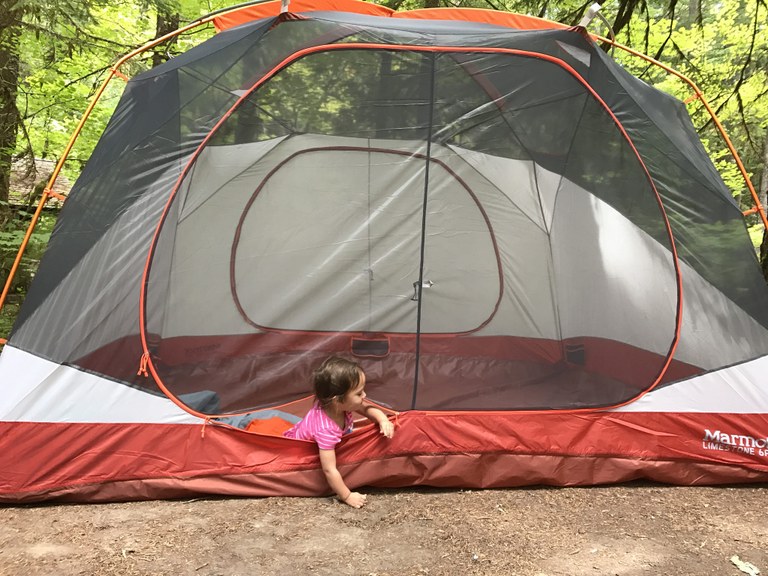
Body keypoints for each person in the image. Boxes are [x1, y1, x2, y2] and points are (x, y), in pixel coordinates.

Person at [284, 356, 394, 508]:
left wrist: (382, 419)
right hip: (296, 451)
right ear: (337, 400)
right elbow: (329, 469)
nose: (364, 396)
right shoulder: (326, 429)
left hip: (303, 427)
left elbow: (366, 409)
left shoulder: (336, 405)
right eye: (359, 393)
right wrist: (347, 495)